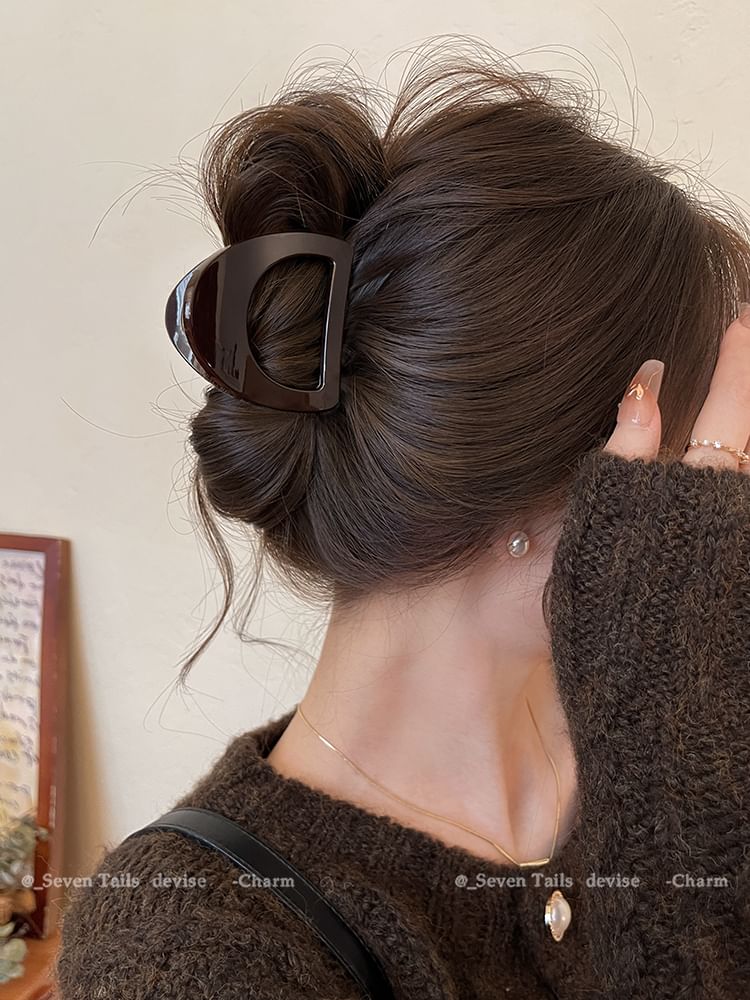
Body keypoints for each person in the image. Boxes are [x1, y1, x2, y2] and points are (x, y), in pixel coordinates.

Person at [54, 43, 750, 999]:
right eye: (707, 458)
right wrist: (669, 756)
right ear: (558, 494)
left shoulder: (688, 740)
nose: (717, 521)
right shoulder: (183, 946)